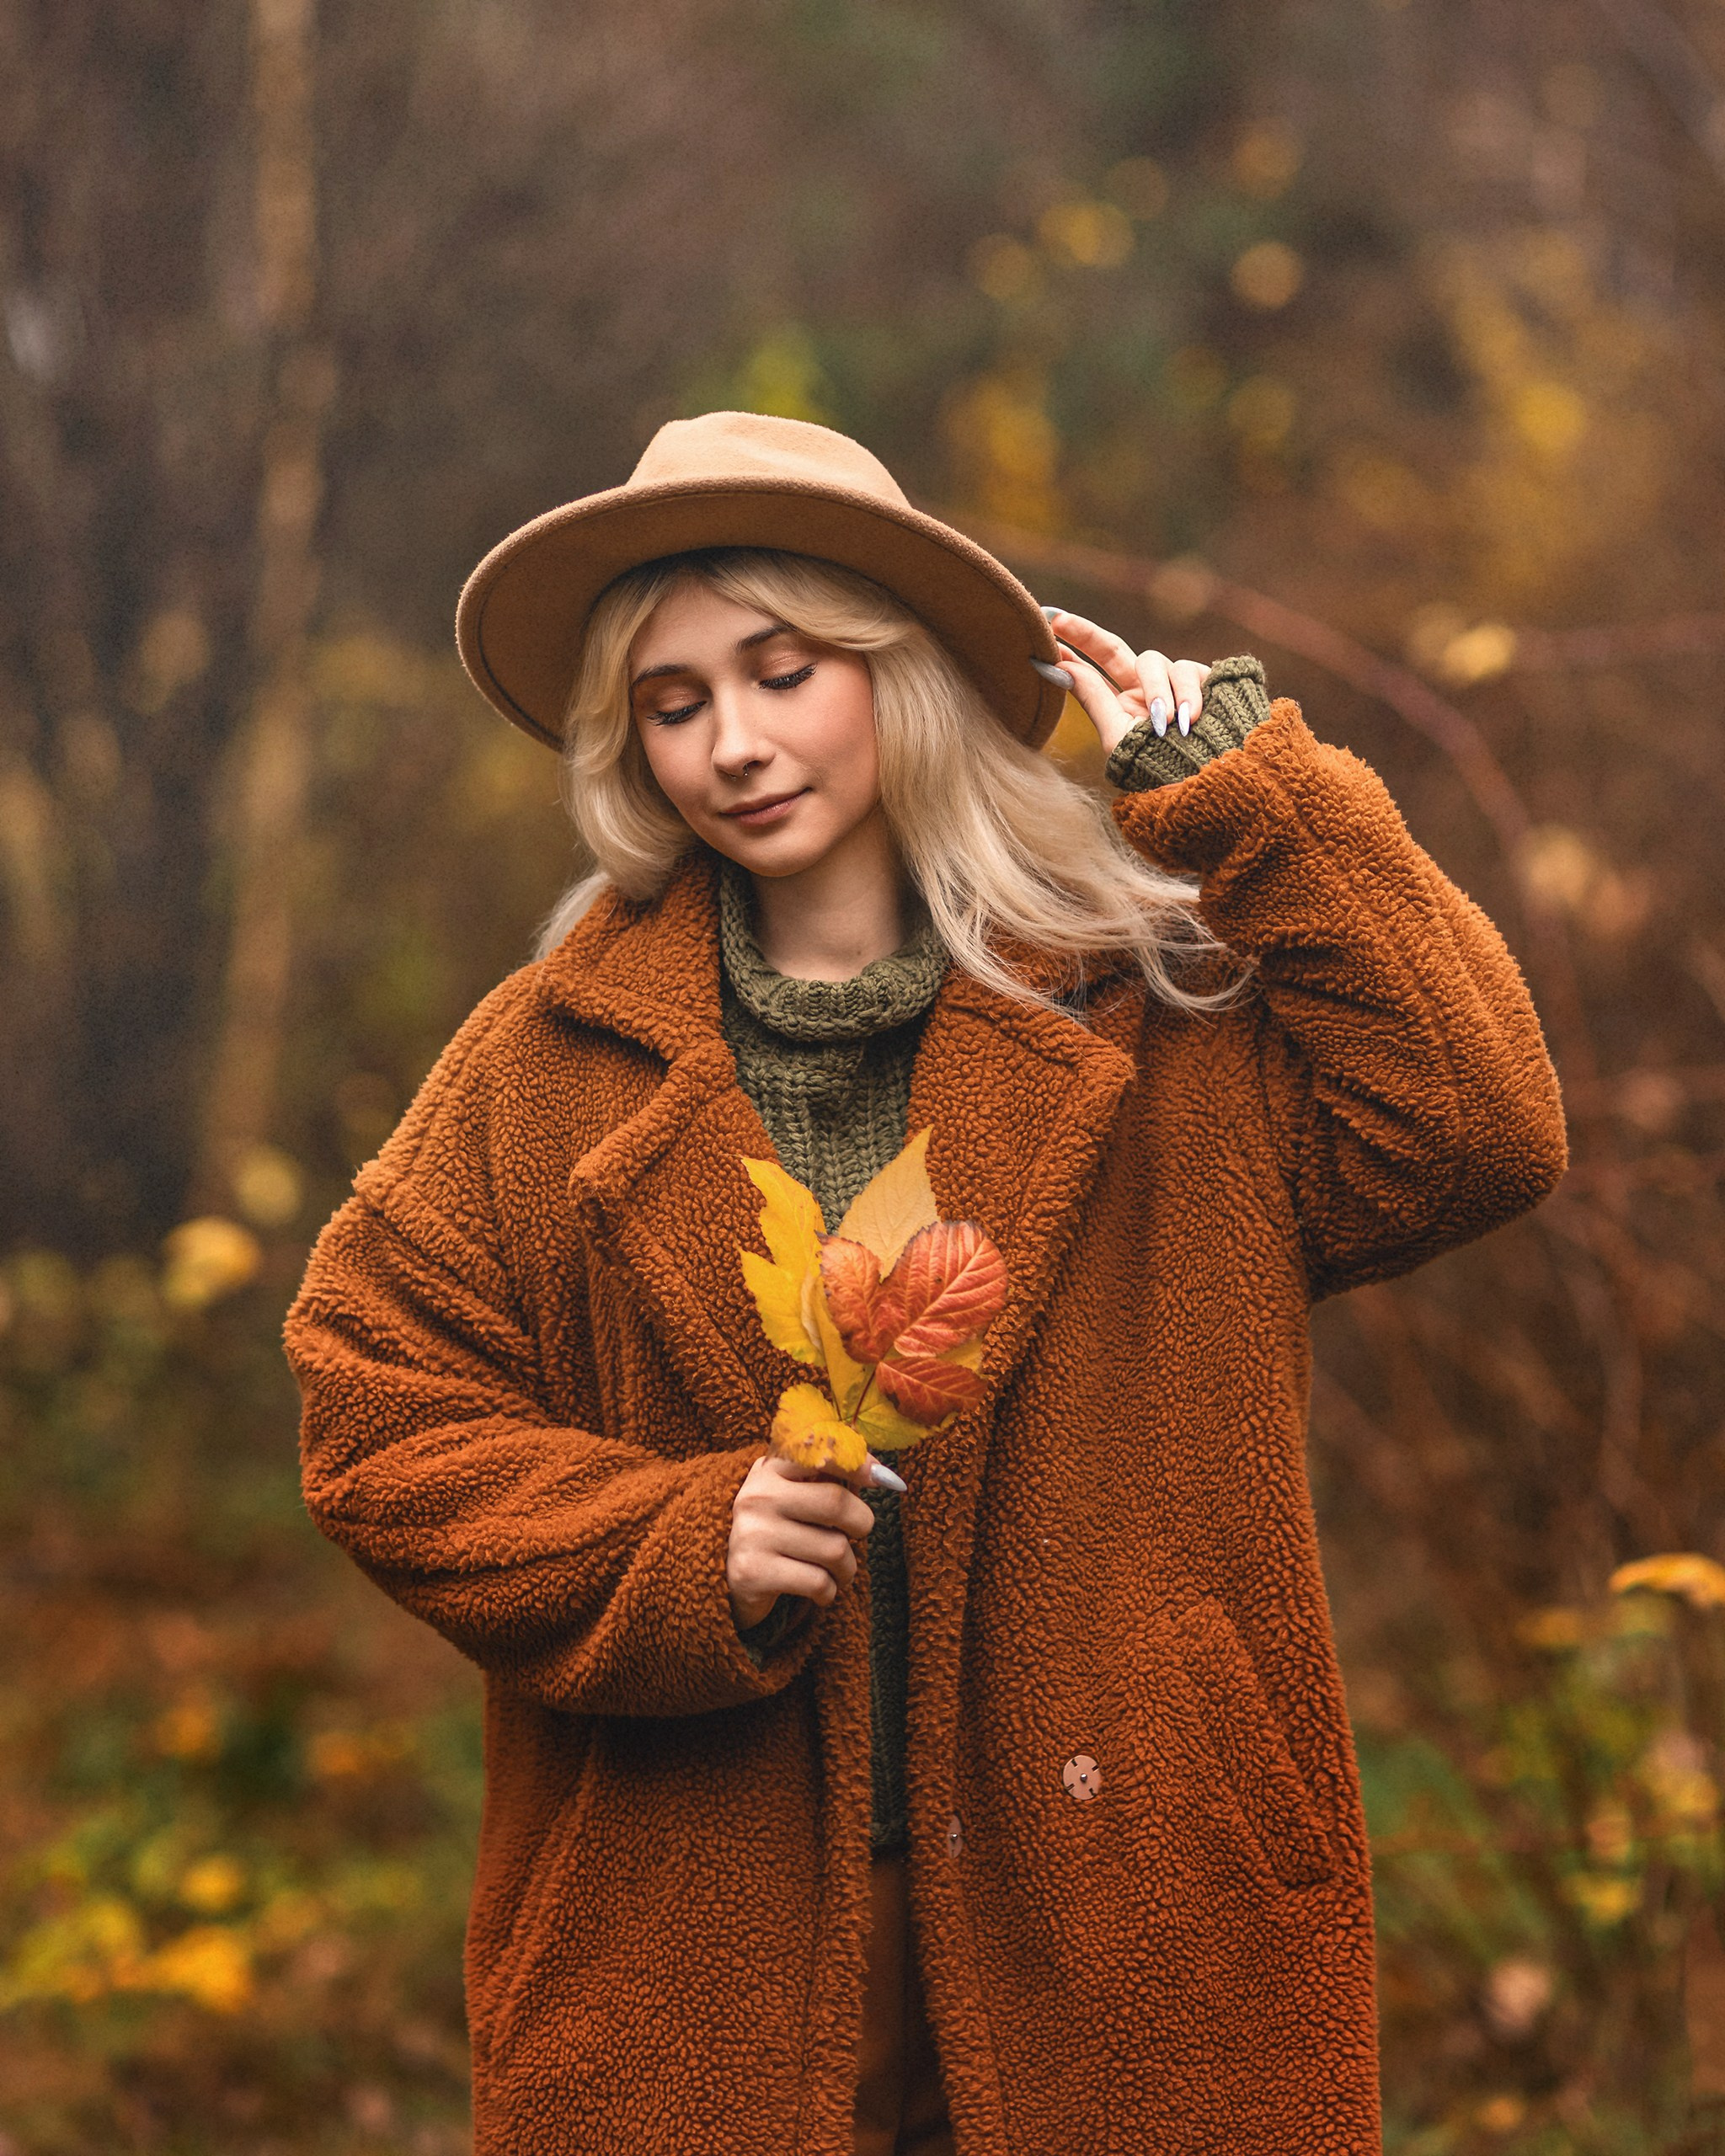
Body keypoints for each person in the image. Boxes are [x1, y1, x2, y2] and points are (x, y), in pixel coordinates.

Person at [285, 410, 1567, 2155]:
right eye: (674, 701)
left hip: (1127, 1901)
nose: (732, 741)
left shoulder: (1153, 1002)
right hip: (690, 1929)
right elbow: (371, 1397)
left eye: (781, 668)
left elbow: (1478, 1127)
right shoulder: (548, 1053)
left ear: (892, 672)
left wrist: (1253, 794)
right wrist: (667, 1544)